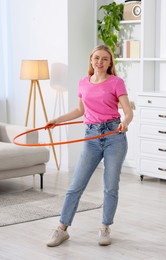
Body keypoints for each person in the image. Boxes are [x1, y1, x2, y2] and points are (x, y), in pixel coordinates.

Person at [46, 44, 133, 247]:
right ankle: (61, 229)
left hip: (114, 136)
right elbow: (79, 111)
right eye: (96, 58)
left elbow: (128, 111)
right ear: (91, 60)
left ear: (110, 62)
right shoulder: (83, 83)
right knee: (76, 185)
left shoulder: (116, 82)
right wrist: (57, 120)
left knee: (111, 186)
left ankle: (104, 227)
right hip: (91, 137)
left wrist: (124, 123)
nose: (99, 62)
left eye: (104, 58)